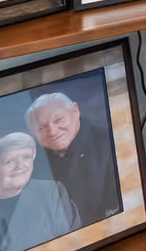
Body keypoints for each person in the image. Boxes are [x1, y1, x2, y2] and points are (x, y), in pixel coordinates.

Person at [26, 92, 121, 229]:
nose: (52, 131)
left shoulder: (115, 144)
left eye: (58, 120)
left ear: (75, 111)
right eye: (41, 127)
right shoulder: (28, 164)